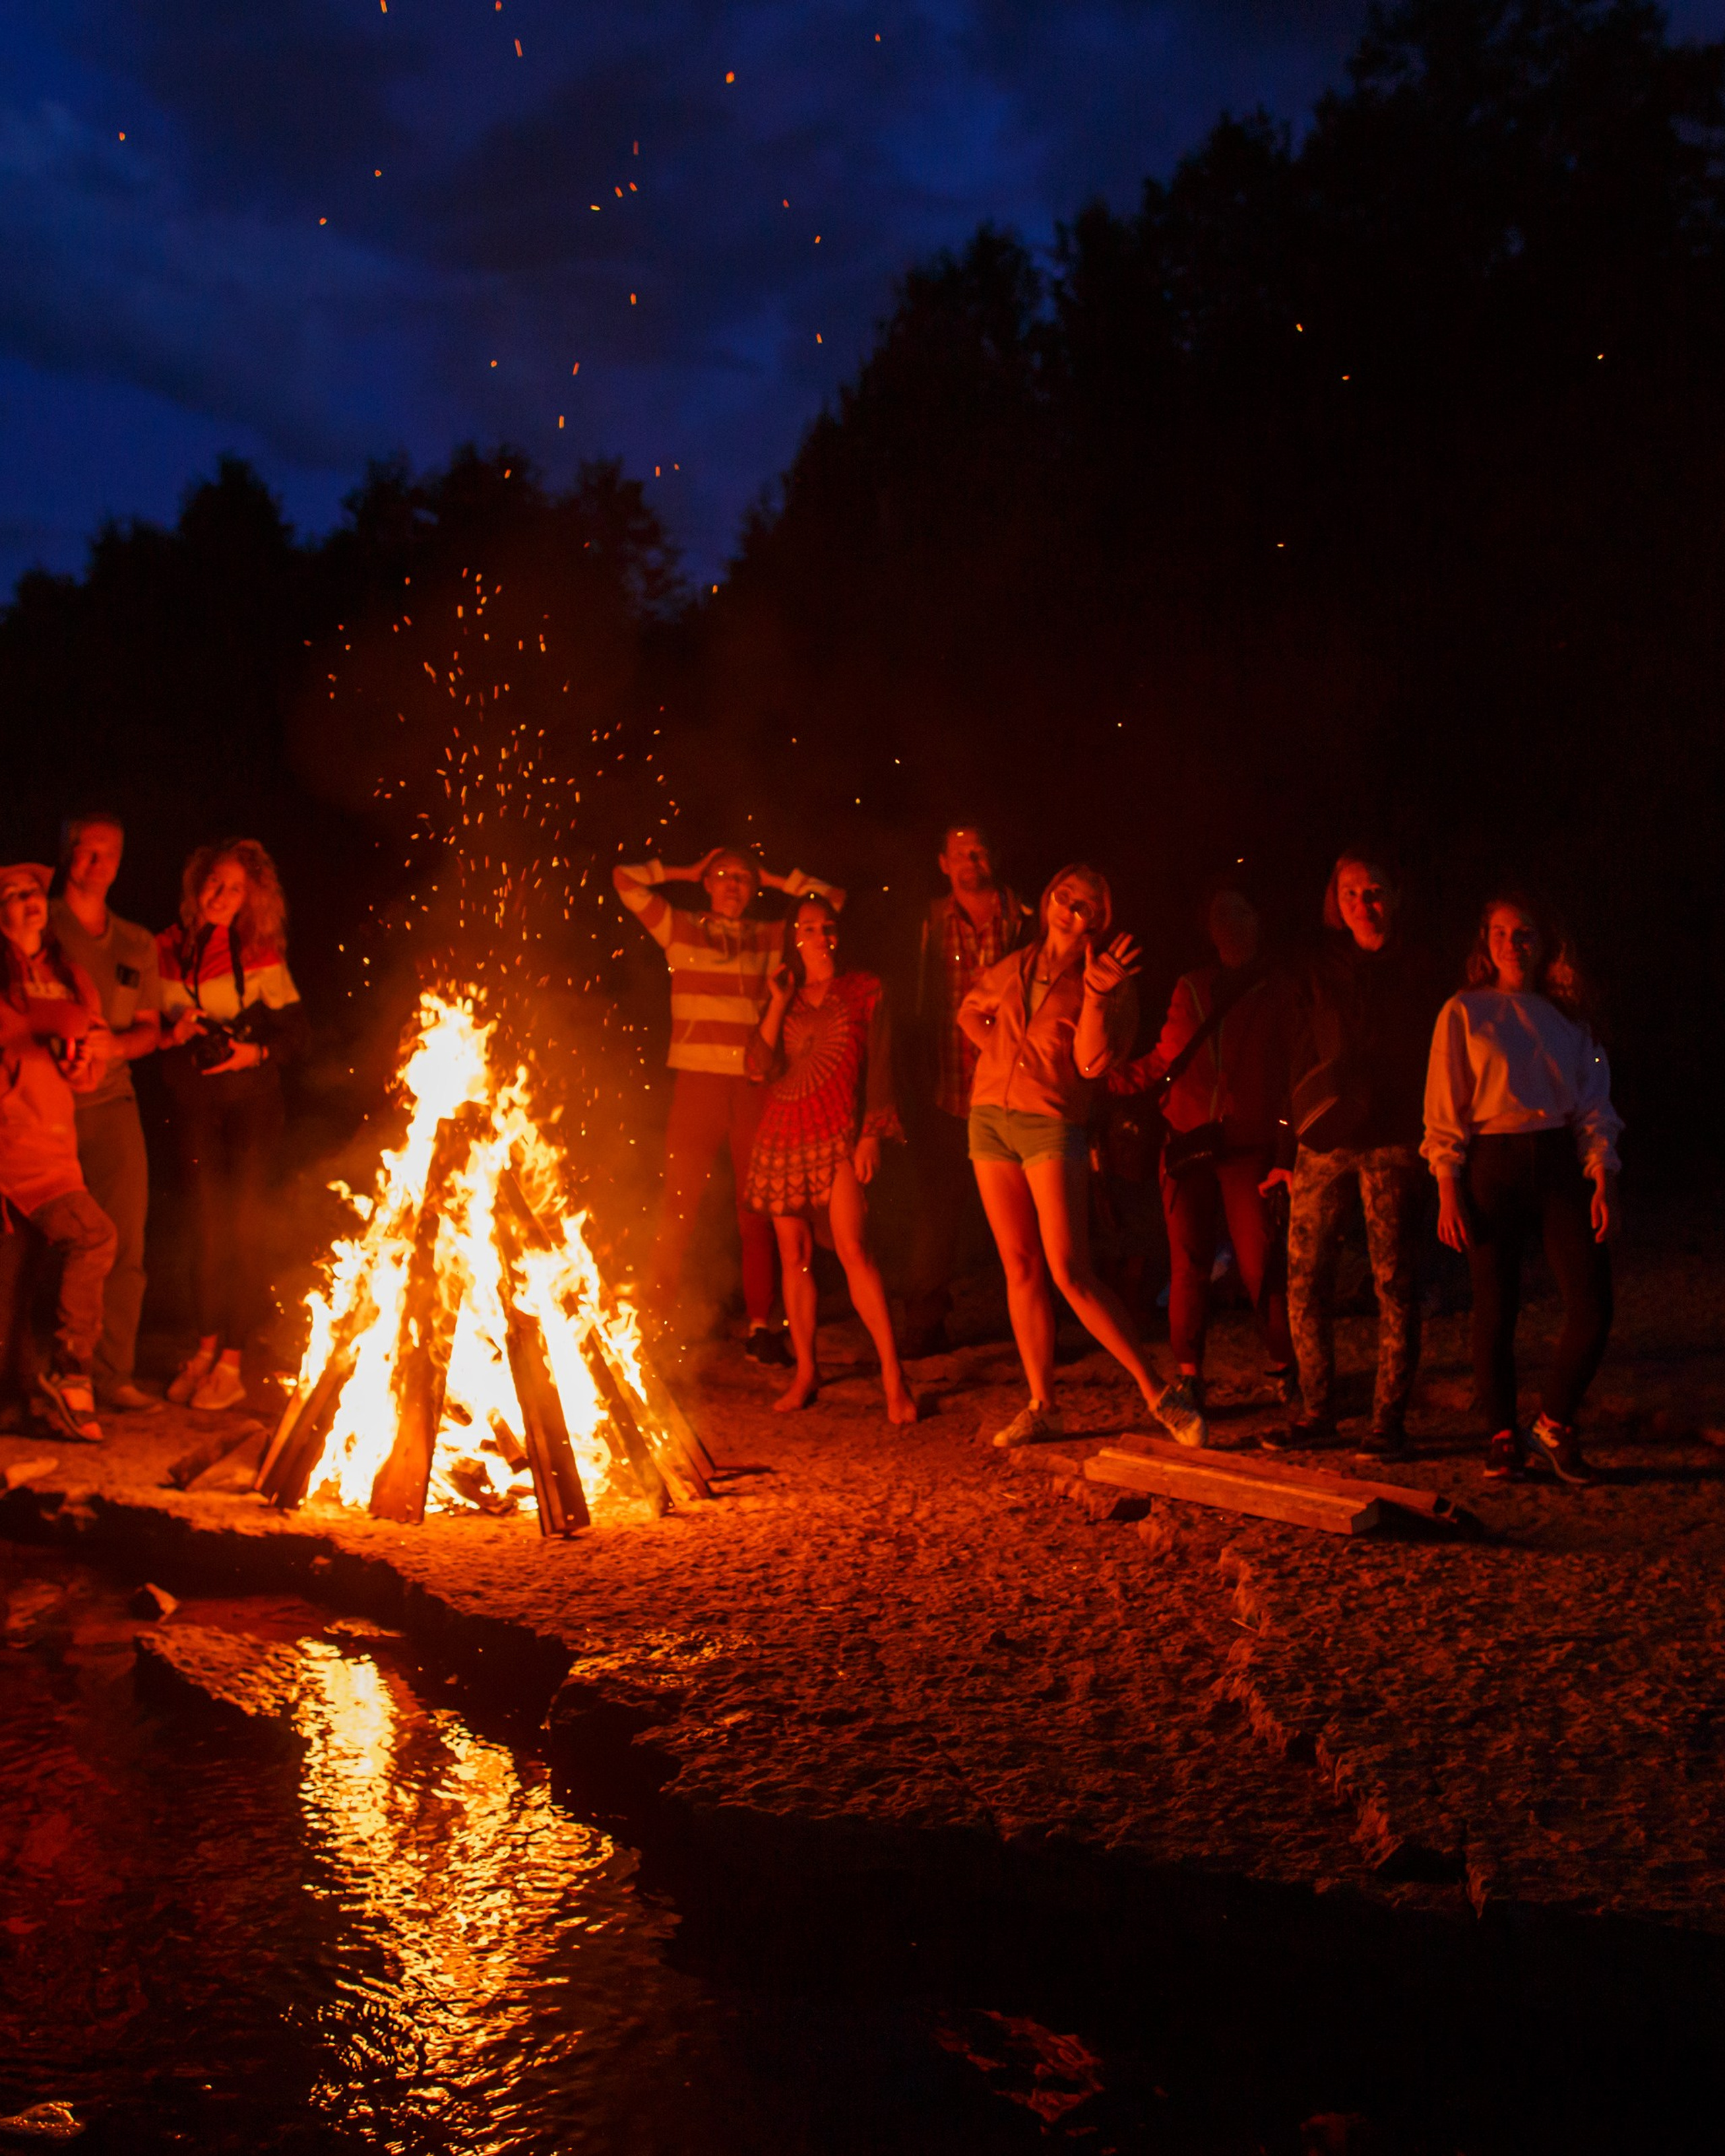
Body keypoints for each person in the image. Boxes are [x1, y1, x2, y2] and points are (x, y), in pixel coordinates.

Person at [960, 864, 1207, 1449]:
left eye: (1086, 905)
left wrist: (1096, 996)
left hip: (1050, 1122)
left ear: (1100, 919)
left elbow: (1095, 1064)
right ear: (1048, 900)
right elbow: (970, 1007)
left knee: (1069, 1269)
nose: (1071, 909)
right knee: (1020, 1268)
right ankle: (1044, 1404)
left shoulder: (1109, 982)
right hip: (989, 1120)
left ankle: (1158, 1393)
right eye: (1065, 897)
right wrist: (991, 1045)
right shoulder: (1018, 963)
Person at [614, 846, 846, 1361]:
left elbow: (833, 902)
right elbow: (624, 880)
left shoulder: (769, 936)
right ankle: (652, 1319)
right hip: (697, 1083)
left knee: (756, 1208)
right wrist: (684, 869)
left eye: (743, 878)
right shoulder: (680, 928)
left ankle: (761, 1325)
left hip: (752, 1084)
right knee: (679, 1201)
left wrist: (776, 876)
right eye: (722, 877)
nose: (733, 885)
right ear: (708, 884)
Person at [1424, 892, 1620, 1484]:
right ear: (1486, 943)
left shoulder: (1568, 1019)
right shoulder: (1464, 1012)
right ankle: (1503, 1435)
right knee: (1496, 1304)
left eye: (1525, 931)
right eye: (1501, 932)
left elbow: (1595, 1106)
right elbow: (1444, 1106)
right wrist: (1448, 1187)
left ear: (1545, 941)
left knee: (1593, 1303)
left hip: (1556, 1157)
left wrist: (1603, 1178)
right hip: (1493, 1158)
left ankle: (1552, 1424)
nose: (1513, 943)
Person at [1265, 852, 1443, 1460]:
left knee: (1394, 1281)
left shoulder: (1422, 968)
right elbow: (1297, 1059)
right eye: (1349, 894)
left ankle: (1386, 1421)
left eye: (1372, 891)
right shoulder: (1318, 968)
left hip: (1395, 1141)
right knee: (1304, 1279)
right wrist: (1287, 1149)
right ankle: (1317, 1411)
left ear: (1395, 893)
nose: (1362, 905)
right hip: (1326, 1141)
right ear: (1334, 902)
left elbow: (1442, 1062)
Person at [1108, 876, 1296, 1408]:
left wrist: (1285, 1149)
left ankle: (1284, 1364)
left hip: (1247, 1147)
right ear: (1208, 929)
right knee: (1187, 1261)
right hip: (1188, 1142)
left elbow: (1291, 1075)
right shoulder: (1193, 986)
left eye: (1239, 913)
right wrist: (1101, 1076)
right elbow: (1166, 1060)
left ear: (1258, 921)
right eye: (1219, 916)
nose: (1229, 926)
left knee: (1260, 1264)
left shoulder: (1280, 989)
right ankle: (1190, 1374)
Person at [745, 895, 916, 1423]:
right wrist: (777, 1001)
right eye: (809, 928)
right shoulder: (784, 996)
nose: (821, 937)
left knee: (852, 1247)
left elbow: (883, 1065)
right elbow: (757, 1067)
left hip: (838, 1128)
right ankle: (806, 1372)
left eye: (828, 927)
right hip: (782, 1132)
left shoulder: (866, 989)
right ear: (795, 938)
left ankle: (894, 1377)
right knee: (794, 1255)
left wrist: (872, 1134)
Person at [158, 839, 309, 1411]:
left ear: (252, 898)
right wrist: (179, 1025)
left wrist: (254, 1053)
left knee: (244, 1230)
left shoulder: (261, 950)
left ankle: (233, 1363)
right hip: (196, 1102)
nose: (220, 896)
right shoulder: (164, 949)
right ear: (197, 882)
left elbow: (298, 1035)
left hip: (252, 1104)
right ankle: (204, 1350)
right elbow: (152, 1026)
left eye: (235, 888)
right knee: (205, 1229)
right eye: (214, 883)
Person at [903, 823, 1032, 1357]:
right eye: (960, 853)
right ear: (943, 862)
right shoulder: (930, 923)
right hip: (950, 1089)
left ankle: (1038, 1315)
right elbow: (915, 1005)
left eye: (978, 850)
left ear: (993, 856)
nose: (970, 861)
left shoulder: (1025, 919)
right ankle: (925, 1321)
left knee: (1028, 1209)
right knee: (938, 1211)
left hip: (1016, 1088)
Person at [50, 811, 163, 1413]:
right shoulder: (38, 927)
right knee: (52, 1243)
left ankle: (112, 1373)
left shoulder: (136, 943)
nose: (97, 865)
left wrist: (114, 1046)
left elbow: (149, 1029)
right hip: (43, 1107)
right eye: (85, 852)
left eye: (108, 854)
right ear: (67, 853)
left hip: (113, 1101)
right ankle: (40, 1372)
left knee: (123, 1238)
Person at [0, 861, 117, 1442]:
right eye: (13, 894)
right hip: (11, 1140)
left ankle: (23, 1401)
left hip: (54, 1139)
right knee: (93, 1236)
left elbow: (89, 1065)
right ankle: (72, 1376)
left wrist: (80, 1061)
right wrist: (38, 1029)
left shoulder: (69, 973)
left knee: (13, 1289)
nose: (30, 901)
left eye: (34, 892)